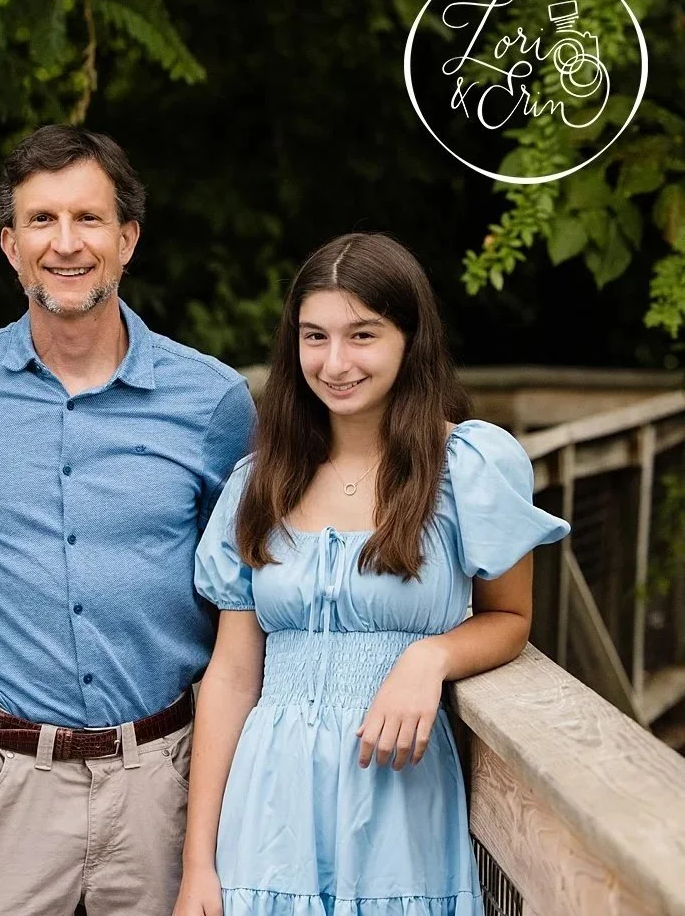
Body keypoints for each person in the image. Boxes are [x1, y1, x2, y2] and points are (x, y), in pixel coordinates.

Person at [175, 233, 570, 916]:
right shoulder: (258, 484)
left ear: (409, 339)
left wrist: (432, 655)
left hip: (398, 805)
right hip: (268, 809)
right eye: (314, 336)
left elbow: (511, 618)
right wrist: (197, 864)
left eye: (363, 334)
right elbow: (232, 676)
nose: (335, 362)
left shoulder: (468, 466)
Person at [0, 124, 257, 916]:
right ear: (10, 245)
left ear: (128, 238)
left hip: (163, 772)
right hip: (2, 779)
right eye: (41, 220)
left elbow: (242, 595)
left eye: (89, 219)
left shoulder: (212, 401)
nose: (64, 244)